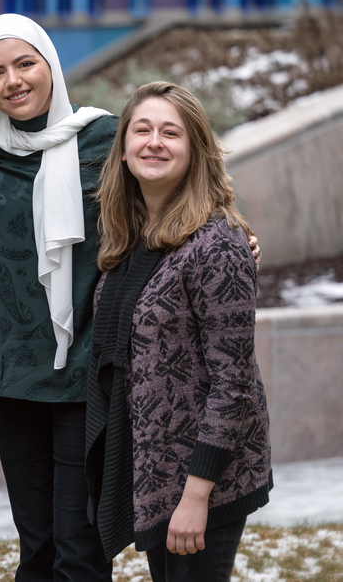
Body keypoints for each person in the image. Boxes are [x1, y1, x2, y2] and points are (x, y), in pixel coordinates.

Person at [0, 13, 117, 582]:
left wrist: (232, 234)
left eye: (25, 64)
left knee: (79, 542)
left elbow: (174, 194)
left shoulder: (106, 138)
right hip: (10, 365)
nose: (13, 81)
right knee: (36, 542)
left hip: (86, 362)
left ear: (51, 65)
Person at [85, 81, 272, 581]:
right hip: (158, 473)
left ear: (195, 150)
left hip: (205, 480)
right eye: (142, 130)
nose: (154, 142)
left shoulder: (218, 242)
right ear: (124, 147)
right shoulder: (130, 238)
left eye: (171, 133)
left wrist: (196, 496)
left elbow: (233, 383)